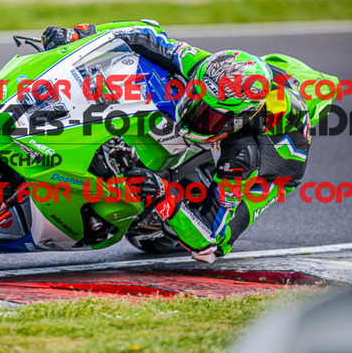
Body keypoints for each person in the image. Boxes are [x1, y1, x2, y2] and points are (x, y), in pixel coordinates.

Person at [41, 21, 334, 263]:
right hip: (256, 91)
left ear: (237, 121)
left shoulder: (242, 155)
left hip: (275, 159)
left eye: (209, 116)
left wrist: (161, 194)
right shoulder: (207, 68)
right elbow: (145, 33)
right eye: (195, 100)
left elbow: (211, 243)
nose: (195, 116)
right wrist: (83, 36)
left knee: (216, 233)